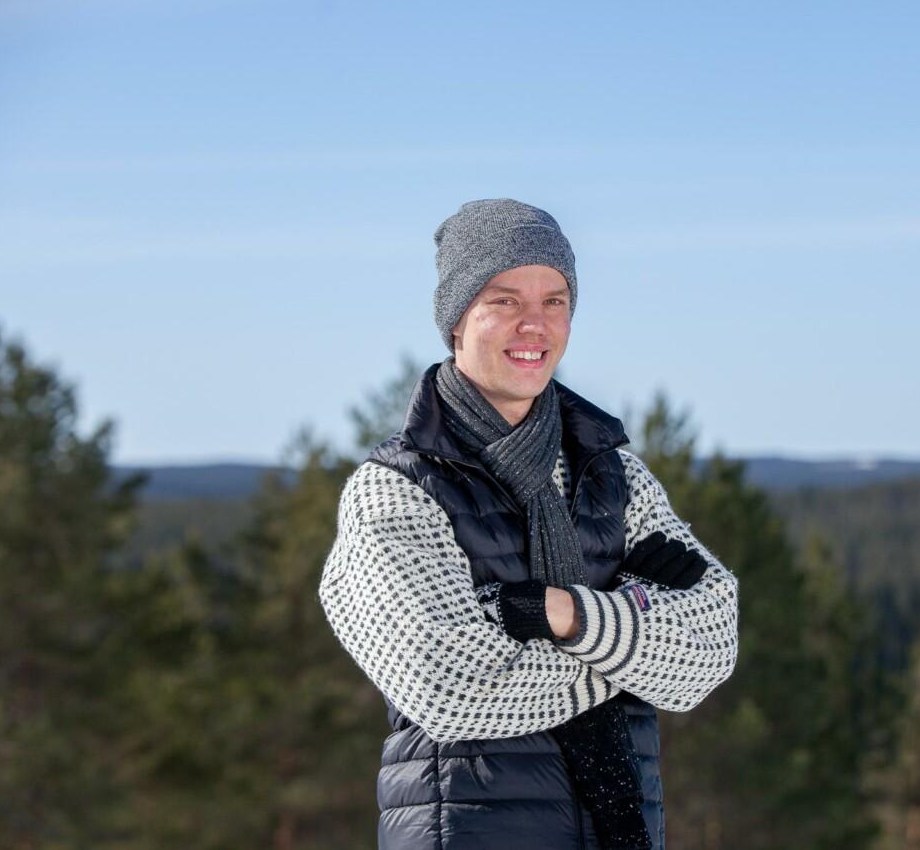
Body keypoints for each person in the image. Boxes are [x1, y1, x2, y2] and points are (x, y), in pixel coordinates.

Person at [317, 198, 739, 849]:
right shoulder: (396, 490)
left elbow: (708, 646)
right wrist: (633, 653)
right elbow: (451, 687)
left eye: (555, 300)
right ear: (457, 320)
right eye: (505, 300)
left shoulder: (610, 472)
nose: (534, 325)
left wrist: (563, 614)